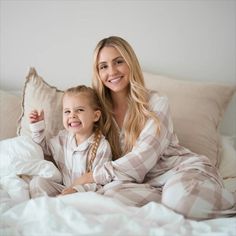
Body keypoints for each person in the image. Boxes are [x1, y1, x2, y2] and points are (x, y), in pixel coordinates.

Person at [70, 36, 236, 220]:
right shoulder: (98, 114)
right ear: (98, 73)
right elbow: (73, 141)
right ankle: (171, 208)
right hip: (145, 185)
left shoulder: (156, 103)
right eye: (104, 66)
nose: (112, 71)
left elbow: (143, 158)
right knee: (108, 198)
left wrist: (91, 176)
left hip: (180, 172)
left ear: (130, 63)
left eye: (119, 62)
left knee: (179, 199)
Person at [28, 85, 112, 197]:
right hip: (64, 189)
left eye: (80, 110)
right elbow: (41, 149)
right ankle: (47, 208)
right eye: (67, 111)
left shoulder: (102, 146)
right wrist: (37, 126)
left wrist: (77, 190)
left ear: (95, 116)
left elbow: (101, 182)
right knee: (37, 182)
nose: (72, 115)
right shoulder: (63, 138)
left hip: (85, 193)